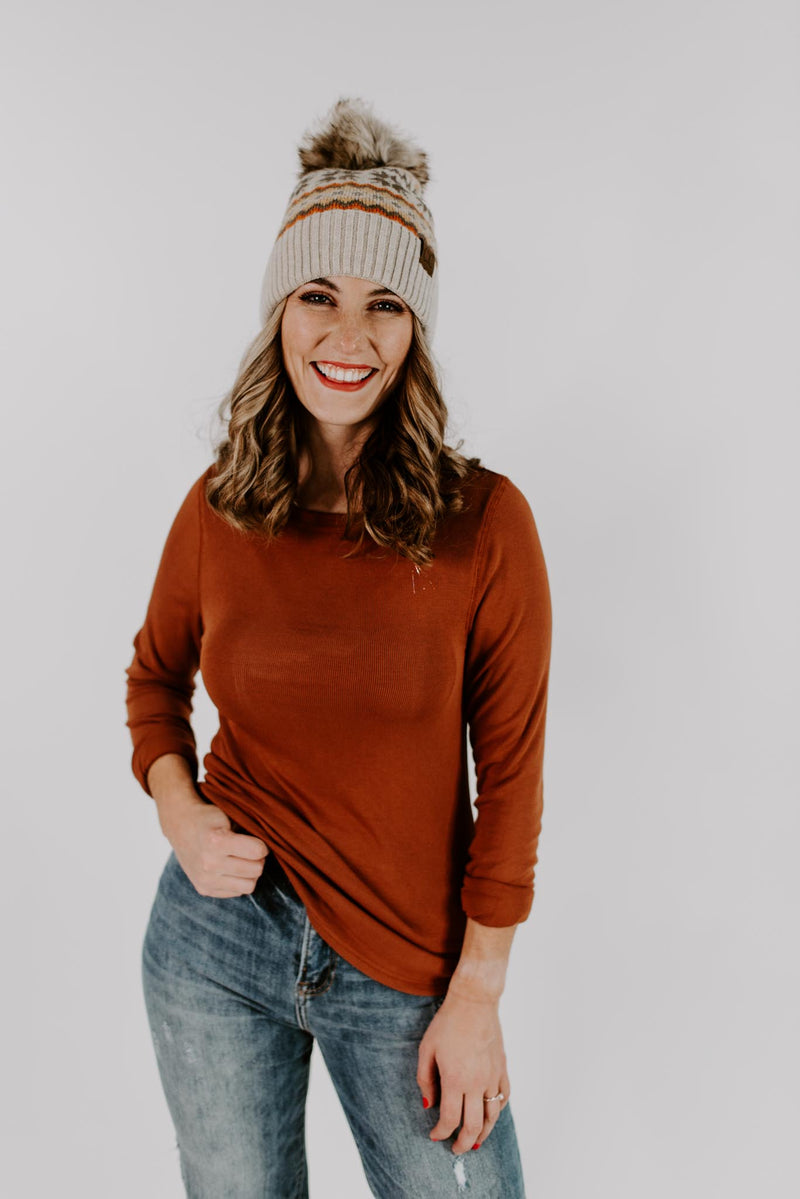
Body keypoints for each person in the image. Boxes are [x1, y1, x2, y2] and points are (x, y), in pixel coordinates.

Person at [125, 96, 552, 1198]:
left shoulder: (483, 524)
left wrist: (477, 992)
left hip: (406, 966)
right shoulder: (219, 507)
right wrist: (180, 812)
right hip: (217, 943)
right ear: (280, 308)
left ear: (416, 329)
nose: (347, 336)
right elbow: (155, 679)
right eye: (317, 293)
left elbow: (509, 778)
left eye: (384, 304)